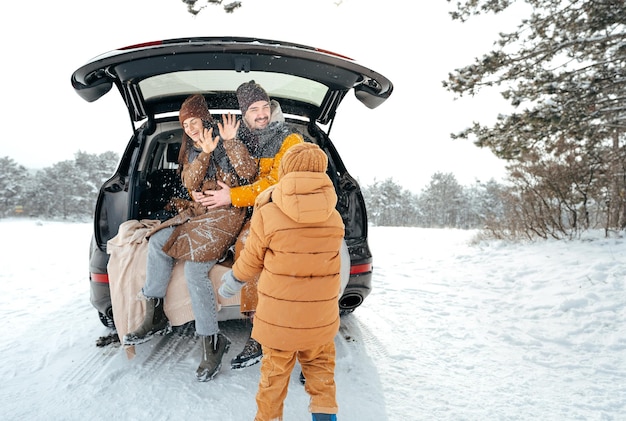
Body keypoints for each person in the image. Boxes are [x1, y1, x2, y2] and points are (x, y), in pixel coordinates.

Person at [123, 94, 257, 382]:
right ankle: (155, 314)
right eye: (186, 125)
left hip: (228, 214)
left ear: (204, 118)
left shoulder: (228, 139)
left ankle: (211, 342)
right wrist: (204, 155)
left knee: (196, 270)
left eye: (194, 121)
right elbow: (189, 183)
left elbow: (249, 173)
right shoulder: (193, 149)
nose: (191, 128)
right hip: (199, 213)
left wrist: (229, 143)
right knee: (158, 241)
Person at [219, 142, 344, 421]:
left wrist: (232, 281)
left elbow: (251, 259)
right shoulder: (334, 218)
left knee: (273, 380)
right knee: (322, 376)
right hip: (320, 319)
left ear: (286, 169)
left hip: (279, 321)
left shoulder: (268, 213)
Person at [192, 80, 304, 369]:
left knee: (249, 246)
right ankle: (260, 324)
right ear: (244, 113)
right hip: (252, 212)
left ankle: (261, 332)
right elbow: (234, 173)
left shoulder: (290, 139)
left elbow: (274, 183)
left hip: (283, 210)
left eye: (265, 107)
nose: (262, 113)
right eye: (254, 109)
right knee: (244, 243)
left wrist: (233, 196)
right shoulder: (243, 137)